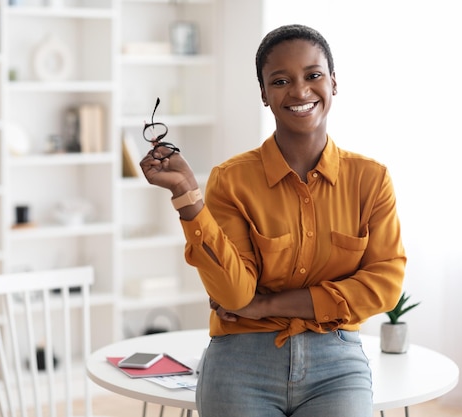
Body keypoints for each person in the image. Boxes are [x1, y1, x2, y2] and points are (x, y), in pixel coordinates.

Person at [140, 24, 406, 417]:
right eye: (280, 80)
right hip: (241, 360)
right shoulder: (231, 180)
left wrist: (267, 306)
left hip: (335, 361)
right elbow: (234, 296)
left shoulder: (370, 179)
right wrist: (187, 197)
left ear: (334, 83)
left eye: (313, 75)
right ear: (264, 94)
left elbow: (384, 285)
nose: (299, 91)